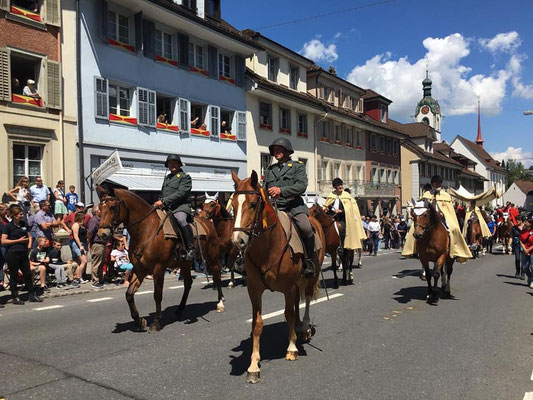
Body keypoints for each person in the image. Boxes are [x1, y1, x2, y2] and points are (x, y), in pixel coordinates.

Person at [263, 138, 315, 277]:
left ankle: (309, 261)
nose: (276, 152)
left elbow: (301, 186)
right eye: (274, 150)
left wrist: (281, 190)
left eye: (278, 150)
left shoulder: (297, 166)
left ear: (286, 151)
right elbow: (264, 188)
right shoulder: (270, 170)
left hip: (293, 206)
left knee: (306, 228)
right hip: (274, 207)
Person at [403, 176, 472, 262]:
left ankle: (454, 250)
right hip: (428, 218)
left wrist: (443, 213)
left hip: (442, 218)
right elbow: (421, 206)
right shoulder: (426, 195)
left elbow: (449, 209)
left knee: (454, 228)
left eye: (439, 183)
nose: (438, 184)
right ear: (432, 184)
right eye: (436, 183)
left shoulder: (446, 195)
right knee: (415, 228)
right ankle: (413, 250)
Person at [153, 154, 195, 260]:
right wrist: (159, 202)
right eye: (170, 163)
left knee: (181, 220)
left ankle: (191, 249)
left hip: (180, 207)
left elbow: (181, 192)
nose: (172, 165)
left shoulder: (185, 176)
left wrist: (163, 201)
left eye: (174, 163)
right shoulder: (168, 178)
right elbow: (163, 193)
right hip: (166, 207)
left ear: (179, 164)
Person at [1, 205, 42, 304]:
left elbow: (29, 236)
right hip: (12, 253)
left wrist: (29, 244)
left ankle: (32, 294)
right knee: (14, 274)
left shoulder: (24, 224)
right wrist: (17, 241)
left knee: (27, 274)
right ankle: (15, 296)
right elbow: (3, 241)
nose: (22, 215)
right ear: (14, 216)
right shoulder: (8, 227)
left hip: (23, 252)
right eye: (20, 214)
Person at [323, 178, 366, 256]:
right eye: (338, 185)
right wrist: (327, 209)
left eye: (341, 185)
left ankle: (343, 244)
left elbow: (349, 209)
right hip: (333, 217)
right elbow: (327, 206)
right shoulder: (331, 195)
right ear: (335, 187)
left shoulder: (346, 195)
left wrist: (341, 211)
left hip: (343, 218)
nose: (340, 187)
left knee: (343, 229)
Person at [87, 205, 106, 289]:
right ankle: (95, 281)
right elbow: (90, 232)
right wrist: (89, 242)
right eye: (101, 210)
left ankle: (100, 280)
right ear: (96, 212)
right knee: (96, 263)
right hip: (97, 243)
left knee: (101, 263)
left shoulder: (102, 220)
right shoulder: (94, 220)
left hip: (103, 243)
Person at [71, 212, 88, 284]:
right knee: (84, 261)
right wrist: (80, 246)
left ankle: (79, 276)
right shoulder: (75, 225)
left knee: (79, 262)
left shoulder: (81, 225)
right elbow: (75, 236)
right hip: (78, 244)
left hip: (83, 243)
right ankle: (79, 277)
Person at [519, 219, 533, 288]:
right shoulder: (523, 231)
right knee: (525, 267)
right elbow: (521, 240)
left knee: (532, 266)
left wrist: (529, 249)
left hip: (532, 251)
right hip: (525, 251)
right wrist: (525, 249)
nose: (525, 223)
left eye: (526, 222)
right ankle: (530, 276)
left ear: (530, 224)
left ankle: (532, 280)